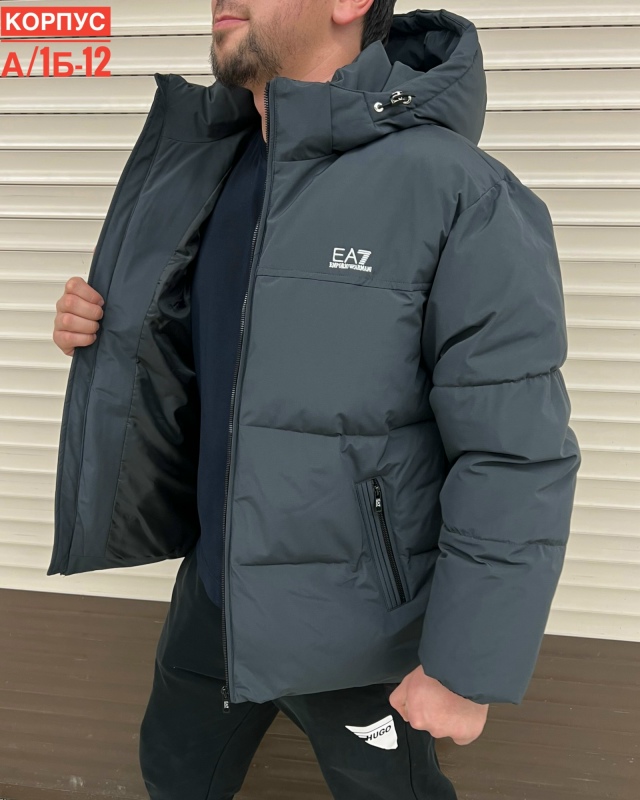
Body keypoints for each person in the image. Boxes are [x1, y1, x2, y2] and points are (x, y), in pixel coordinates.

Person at [50, 2, 581, 798]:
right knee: (174, 771)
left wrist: (465, 666)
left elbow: (514, 450)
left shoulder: (455, 191)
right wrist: (108, 333)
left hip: (358, 633)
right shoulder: (208, 162)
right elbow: (220, 359)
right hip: (213, 593)